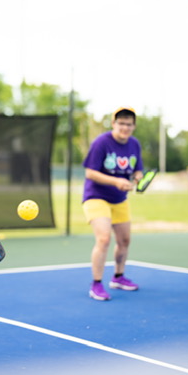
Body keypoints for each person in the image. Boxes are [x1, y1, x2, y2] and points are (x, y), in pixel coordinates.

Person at [82, 107, 143, 301]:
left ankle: (118, 277)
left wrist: (138, 177)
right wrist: (116, 181)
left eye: (129, 124)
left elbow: (137, 170)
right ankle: (96, 284)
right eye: (121, 123)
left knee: (124, 241)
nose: (125, 127)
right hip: (96, 196)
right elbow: (90, 172)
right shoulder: (101, 143)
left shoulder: (134, 144)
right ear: (113, 124)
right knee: (104, 239)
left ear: (133, 126)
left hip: (119, 200)